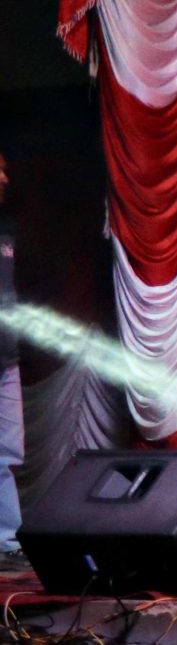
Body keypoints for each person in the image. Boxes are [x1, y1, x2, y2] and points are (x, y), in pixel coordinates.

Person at [0, 153, 22, 574]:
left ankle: (7, 542)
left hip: (6, 359)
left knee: (6, 454)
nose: (4, 178)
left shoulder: (6, 229)